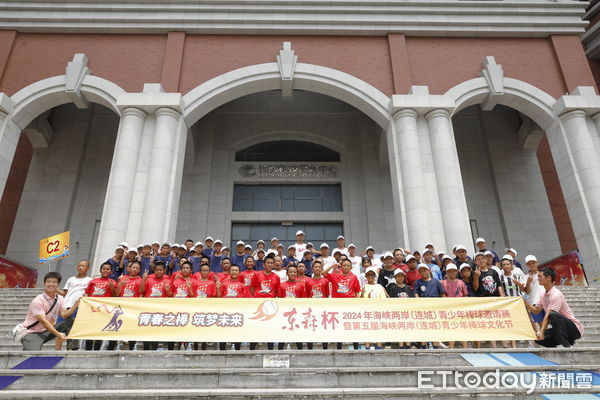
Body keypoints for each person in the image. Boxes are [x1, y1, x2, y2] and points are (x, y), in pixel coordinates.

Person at [19, 272, 78, 351]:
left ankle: (72, 349)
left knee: (70, 321)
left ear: (58, 285)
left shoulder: (60, 298)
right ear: (44, 283)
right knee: (32, 357)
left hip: (47, 331)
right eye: (48, 282)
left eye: (54, 282)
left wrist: (76, 304)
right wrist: (59, 335)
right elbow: (44, 322)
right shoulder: (38, 300)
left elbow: (64, 315)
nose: (51, 284)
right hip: (31, 333)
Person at [525, 268, 584, 348]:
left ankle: (565, 345)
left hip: (575, 329)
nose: (538, 279)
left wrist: (542, 330)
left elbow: (548, 314)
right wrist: (524, 302)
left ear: (549, 278)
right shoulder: (543, 294)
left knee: (553, 315)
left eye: (540, 277)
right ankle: (567, 343)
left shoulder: (556, 294)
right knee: (537, 338)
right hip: (560, 329)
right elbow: (536, 310)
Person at [57, 260, 92, 350]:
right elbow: (64, 293)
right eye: (79, 265)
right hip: (65, 306)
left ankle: (72, 349)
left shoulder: (90, 280)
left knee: (73, 330)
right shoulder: (71, 279)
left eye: (83, 266)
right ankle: (57, 351)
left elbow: (89, 294)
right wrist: (55, 288)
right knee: (59, 330)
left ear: (88, 268)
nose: (80, 267)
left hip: (77, 307)